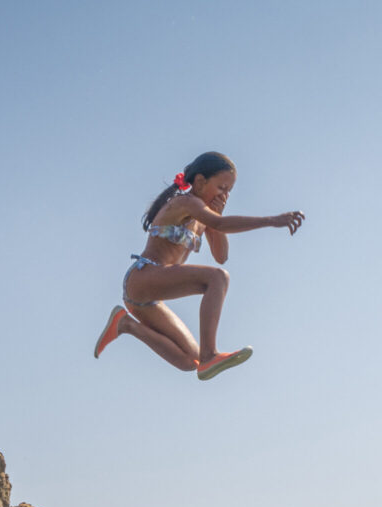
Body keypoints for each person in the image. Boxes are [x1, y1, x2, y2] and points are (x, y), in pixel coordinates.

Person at [93, 151, 305, 381]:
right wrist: (271, 221)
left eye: (229, 192)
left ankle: (125, 324)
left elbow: (221, 255)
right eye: (222, 188)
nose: (224, 195)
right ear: (201, 181)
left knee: (188, 361)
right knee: (218, 278)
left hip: (148, 299)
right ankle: (210, 354)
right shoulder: (187, 202)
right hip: (144, 277)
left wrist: (216, 217)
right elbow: (220, 229)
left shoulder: (205, 216)